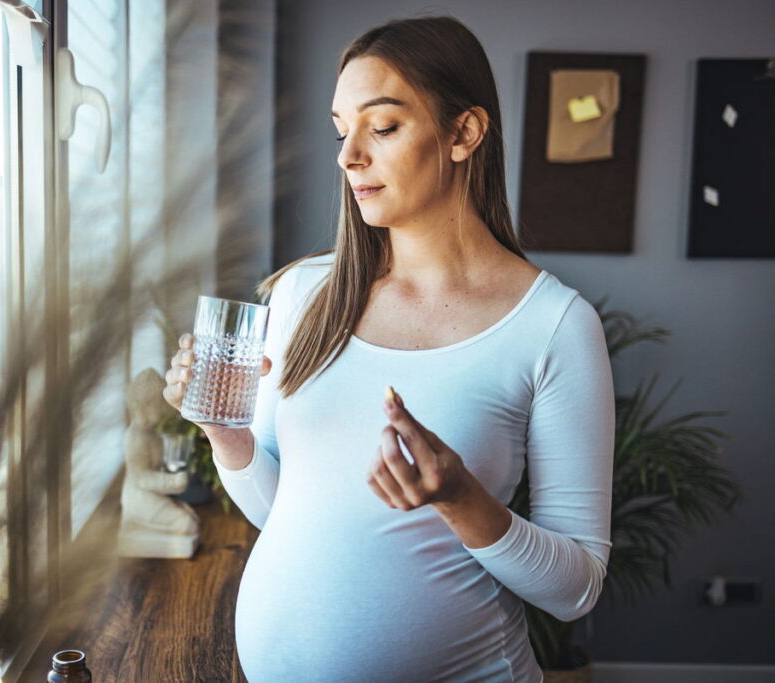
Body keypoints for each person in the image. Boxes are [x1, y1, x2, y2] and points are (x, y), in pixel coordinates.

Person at [163, 15, 613, 683]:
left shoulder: (552, 326)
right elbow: (281, 512)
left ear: (464, 132)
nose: (349, 157)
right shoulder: (300, 295)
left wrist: (461, 497)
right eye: (343, 130)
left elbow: (575, 588)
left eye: (383, 126)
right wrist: (225, 434)